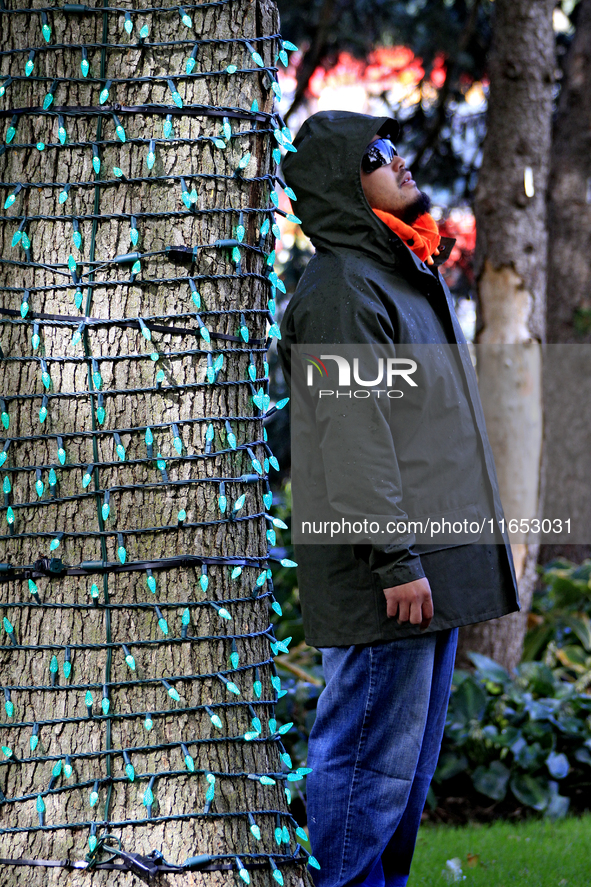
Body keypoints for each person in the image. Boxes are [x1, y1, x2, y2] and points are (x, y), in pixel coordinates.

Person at [277, 110, 520, 887]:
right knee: (364, 767)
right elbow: (353, 439)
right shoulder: (343, 287)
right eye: (377, 154)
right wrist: (394, 560)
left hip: (425, 572)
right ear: (341, 183)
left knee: (401, 776)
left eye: (396, 147)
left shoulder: (399, 273)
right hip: (389, 578)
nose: (401, 161)